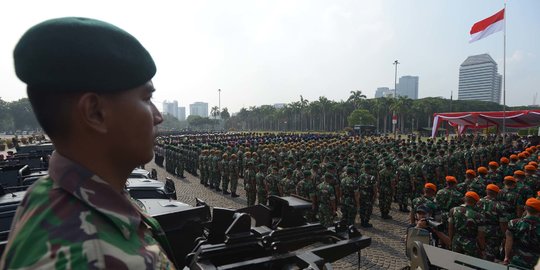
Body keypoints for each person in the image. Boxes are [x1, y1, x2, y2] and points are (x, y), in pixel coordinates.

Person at [1, 17, 175, 268]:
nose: (157, 117)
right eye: (146, 98)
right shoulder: (86, 257)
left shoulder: (47, 193)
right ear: (95, 113)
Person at [504, 198, 540, 269]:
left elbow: (508, 242)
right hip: (535, 263)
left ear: (525, 207)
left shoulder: (513, 223)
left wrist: (506, 257)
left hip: (516, 261)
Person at [448, 191, 486, 258]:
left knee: (456, 262)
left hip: (456, 240)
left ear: (464, 199)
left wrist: (450, 241)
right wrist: (482, 249)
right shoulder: (479, 216)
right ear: (476, 202)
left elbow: (450, 228)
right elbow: (480, 236)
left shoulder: (453, 210)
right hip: (471, 243)